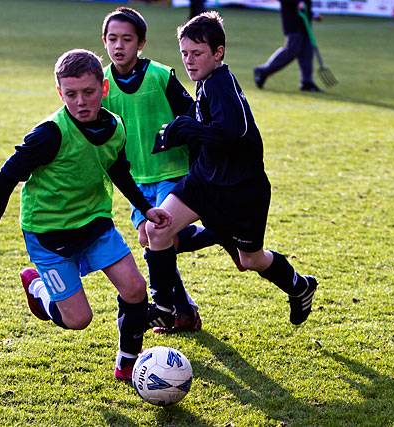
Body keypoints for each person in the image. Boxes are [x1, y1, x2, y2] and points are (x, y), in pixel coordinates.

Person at [0, 49, 172, 381]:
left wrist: (146, 207)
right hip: (49, 235)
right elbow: (7, 176)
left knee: (135, 289)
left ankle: (127, 362)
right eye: (71, 94)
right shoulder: (49, 134)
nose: (81, 101)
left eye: (89, 92)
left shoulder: (115, 127)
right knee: (78, 320)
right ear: (60, 93)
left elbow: (117, 170)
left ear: (104, 89)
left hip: (95, 224)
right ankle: (38, 289)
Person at [145, 12, 318, 328]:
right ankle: (164, 305)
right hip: (204, 181)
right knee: (158, 229)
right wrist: (178, 132)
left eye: (197, 53)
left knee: (249, 260)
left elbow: (232, 131)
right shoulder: (206, 83)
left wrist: (187, 127)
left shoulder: (220, 82)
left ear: (218, 53)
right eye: (184, 53)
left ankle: (299, 286)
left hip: (241, 191)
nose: (189, 60)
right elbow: (209, 132)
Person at [100, 7, 242, 333]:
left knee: (158, 232)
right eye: (112, 39)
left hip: (171, 171)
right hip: (136, 179)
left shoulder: (161, 76)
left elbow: (194, 118)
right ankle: (186, 307)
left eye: (127, 39)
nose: (119, 46)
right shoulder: (102, 83)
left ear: (141, 43)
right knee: (151, 239)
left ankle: (168, 307)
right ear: (104, 41)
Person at [253, 0, 322, 92]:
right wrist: (297, 2)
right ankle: (263, 71)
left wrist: (312, 14)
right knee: (292, 50)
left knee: (307, 51)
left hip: (305, 23)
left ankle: (307, 82)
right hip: (293, 23)